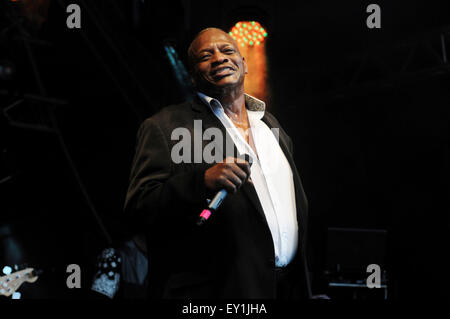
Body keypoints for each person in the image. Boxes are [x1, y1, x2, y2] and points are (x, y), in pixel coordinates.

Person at [124, 27, 312, 299]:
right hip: (218, 294)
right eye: (206, 55)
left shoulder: (272, 128)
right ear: (191, 75)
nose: (219, 58)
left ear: (244, 64)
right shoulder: (166, 126)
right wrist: (200, 182)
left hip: (285, 289)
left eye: (227, 50)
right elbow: (139, 206)